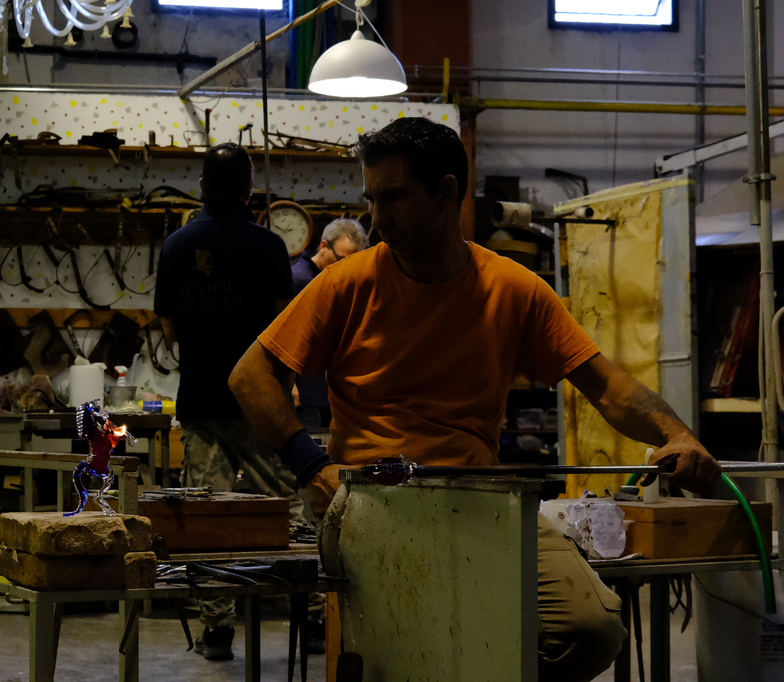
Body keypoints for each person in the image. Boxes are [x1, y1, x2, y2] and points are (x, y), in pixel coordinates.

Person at [228, 117, 721, 682]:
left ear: (445, 193)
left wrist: (675, 434)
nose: (376, 219)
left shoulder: (513, 289)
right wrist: (311, 468)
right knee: (403, 655)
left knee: (590, 629)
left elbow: (607, 386)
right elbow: (250, 375)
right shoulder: (347, 284)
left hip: (480, 500)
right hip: (375, 499)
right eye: (371, 200)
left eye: (393, 198)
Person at [154, 142, 303, 662]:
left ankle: (217, 633)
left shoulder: (175, 247)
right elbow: (288, 325)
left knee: (207, 522)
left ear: (200, 187)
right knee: (287, 510)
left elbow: (170, 331)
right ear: (249, 191)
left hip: (200, 401)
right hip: (260, 403)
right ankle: (310, 616)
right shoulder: (269, 248)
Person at [290, 218, 368, 429]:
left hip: (327, 392)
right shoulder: (299, 280)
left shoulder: (336, 282)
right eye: (341, 259)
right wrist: (292, 385)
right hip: (305, 394)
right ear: (324, 246)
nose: (346, 267)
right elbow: (288, 339)